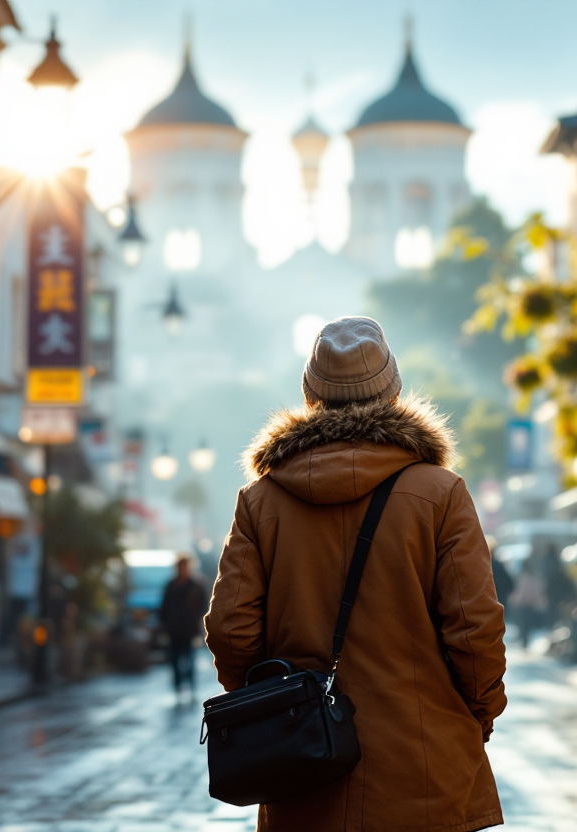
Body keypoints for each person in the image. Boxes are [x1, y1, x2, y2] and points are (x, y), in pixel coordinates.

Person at [205, 316, 507, 832]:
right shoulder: (440, 494)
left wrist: (275, 706)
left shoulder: (261, 501)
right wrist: (476, 715)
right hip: (426, 772)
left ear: (310, 395)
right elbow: (476, 630)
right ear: (393, 391)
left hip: (304, 774)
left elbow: (230, 632)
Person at [159, 553, 208, 702]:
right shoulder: (171, 586)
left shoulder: (196, 585)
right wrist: (163, 626)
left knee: (191, 660)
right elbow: (164, 608)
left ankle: (191, 687)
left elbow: (204, 607)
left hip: (190, 631)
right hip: (174, 631)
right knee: (175, 661)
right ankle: (178, 687)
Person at [509, 557, 547, 648]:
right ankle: (525, 641)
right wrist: (541, 604)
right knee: (528, 625)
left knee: (523, 625)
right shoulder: (535, 578)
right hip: (532, 605)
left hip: (524, 605)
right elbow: (539, 592)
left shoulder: (523, 578)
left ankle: (524, 641)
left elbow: (521, 593)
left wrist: (515, 602)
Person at [488, 537, 515, 621]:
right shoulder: (497, 565)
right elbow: (509, 583)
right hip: (499, 602)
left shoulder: (481, 566)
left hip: (487, 603)